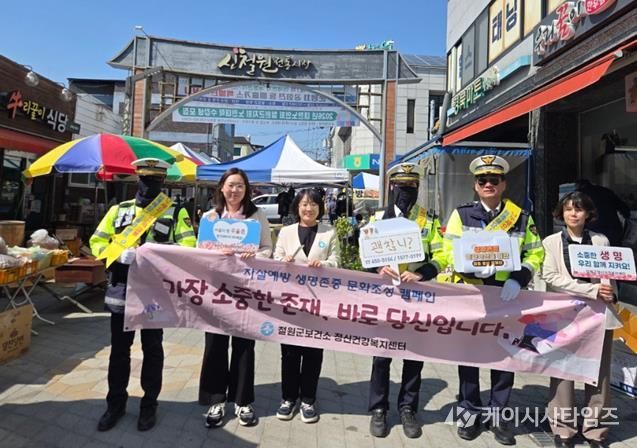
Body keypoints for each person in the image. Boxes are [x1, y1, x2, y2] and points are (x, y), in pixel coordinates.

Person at [417, 155, 545, 445]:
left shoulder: (520, 216)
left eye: (494, 180)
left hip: (506, 295)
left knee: (505, 356)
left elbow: (536, 252)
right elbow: (447, 251)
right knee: (469, 356)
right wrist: (467, 268)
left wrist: (518, 278)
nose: (488, 184)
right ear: (475, 185)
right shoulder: (461, 215)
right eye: (482, 180)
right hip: (472, 293)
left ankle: (499, 416)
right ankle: (469, 414)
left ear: (504, 184)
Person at [90, 158, 197, 432]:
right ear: (138, 179)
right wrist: (116, 254)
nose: (150, 186)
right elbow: (97, 241)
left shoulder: (174, 211)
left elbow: (189, 246)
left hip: (155, 294)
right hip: (122, 291)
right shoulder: (119, 210)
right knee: (119, 351)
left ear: (163, 182)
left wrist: (159, 253)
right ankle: (115, 404)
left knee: (152, 350)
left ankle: (149, 404)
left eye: (156, 181)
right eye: (146, 180)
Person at [367, 162, 442, 440]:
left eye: (412, 186)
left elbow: (442, 255)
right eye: (401, 186)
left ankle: (408, 407)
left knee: (414, 355)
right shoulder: (377, 219)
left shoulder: (429, 219)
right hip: (385, 297)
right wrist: (377, 267)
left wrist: (422, 273)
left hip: (417, 298)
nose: (406, 191)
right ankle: (378, 408)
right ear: (391, 188)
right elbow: (364, 254)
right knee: (381, 355)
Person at [541, 191, 621, 448]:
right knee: (563, 370)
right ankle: (563, 428)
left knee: (599, 374)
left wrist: (610, 292)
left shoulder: (601, 240)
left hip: (598, 314)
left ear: (588, 214)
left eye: (578, 209)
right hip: (566, 315)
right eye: (568, 209)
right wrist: (590, 290)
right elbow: (550, 276)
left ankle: (595, 430)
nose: (573, 214)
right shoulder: (551, 242)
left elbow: (610, 274)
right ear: (561, 213)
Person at [199, 167, 272, 428]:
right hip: (217, 292)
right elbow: (199, 253)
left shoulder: (256, 216)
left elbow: (268, 248)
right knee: (215, 345)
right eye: (230, 185)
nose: (235, 190)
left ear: (246, 189)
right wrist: (215, 254)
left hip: (246, 291)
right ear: (222, 188)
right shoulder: (210, 218)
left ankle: (242, 401)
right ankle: (216, 399)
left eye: (240, 185)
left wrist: (256, 256)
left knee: (244, 346)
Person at [273, 188, 340, 424]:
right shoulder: (286, 232)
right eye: (304, 204)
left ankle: (308, 399)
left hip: (317, 304)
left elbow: (336, 262)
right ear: (297, 207)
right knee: (289, 352)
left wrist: (323, 264)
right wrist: (283, 261)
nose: (308, 208)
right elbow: (275, 259)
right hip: (290, 302)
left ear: (320, 208)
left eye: (313, 204)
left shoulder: (329, 232)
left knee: (313, 352)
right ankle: (288, 398)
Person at [574, 179, 630, 246]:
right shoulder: (605, 191)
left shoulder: (580, 194)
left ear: (578, 186)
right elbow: (624, 209)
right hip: (613, 229)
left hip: (594, 229)